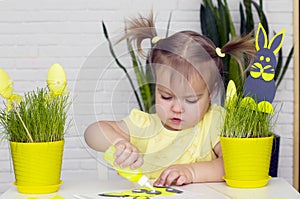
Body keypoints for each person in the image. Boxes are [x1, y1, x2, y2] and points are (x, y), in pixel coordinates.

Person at [84, 13, 256, 186]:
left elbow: (233, 164)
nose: (177, 108)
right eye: (166, 96)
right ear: (155, 86)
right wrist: (119, 143)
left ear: (210, 94)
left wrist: (191, 172)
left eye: (190, 100)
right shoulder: (144, 125)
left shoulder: (213, 123)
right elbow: (93, 132)